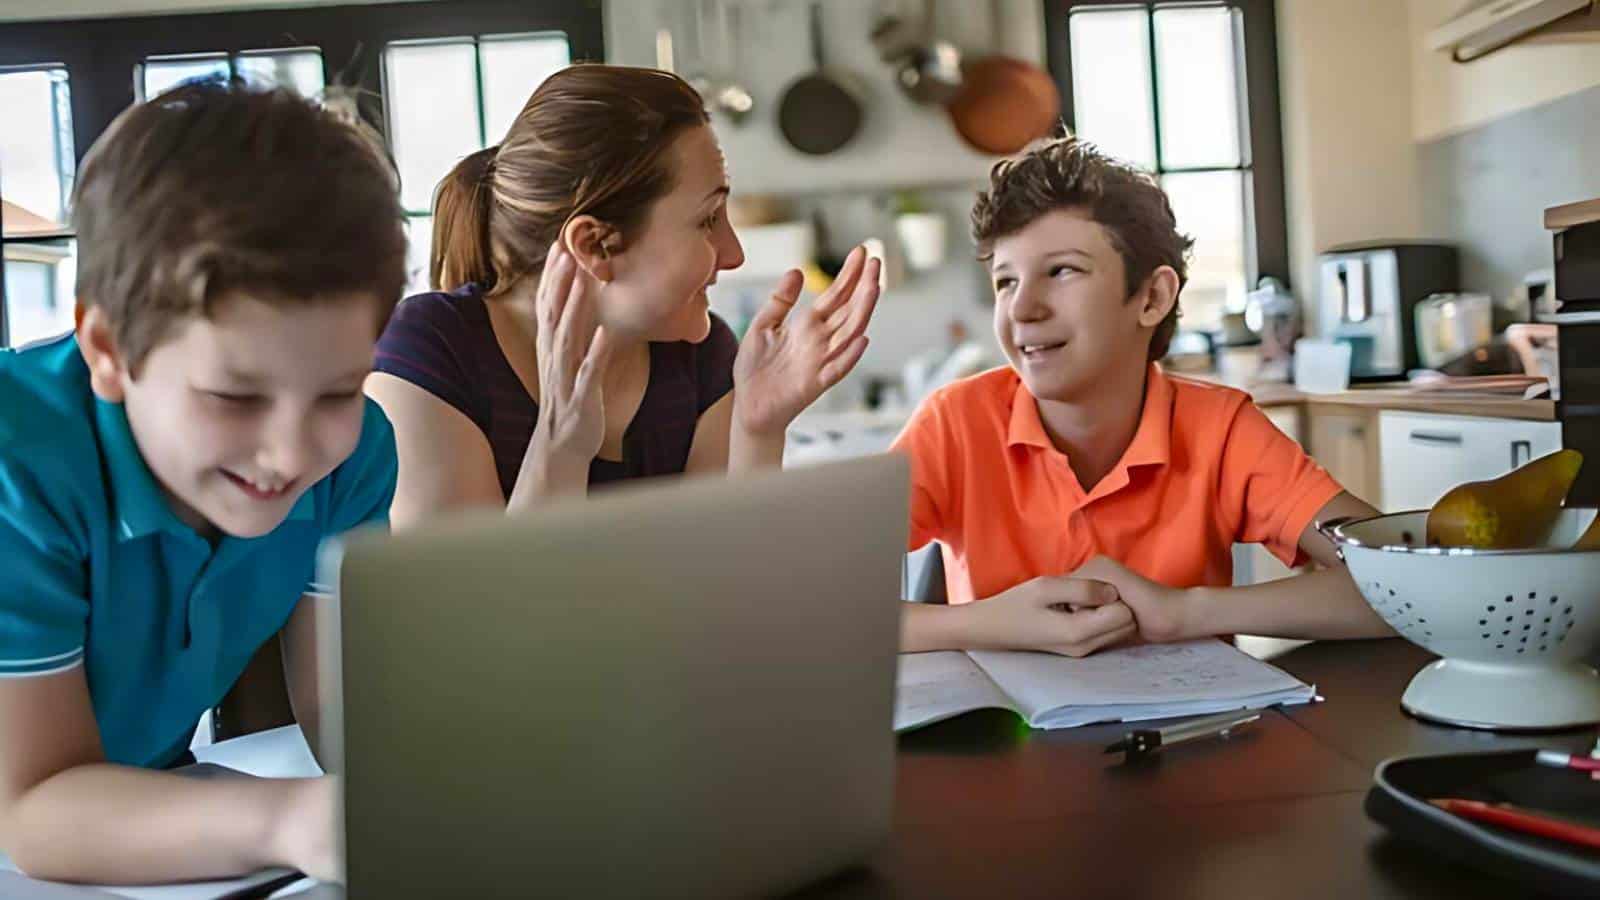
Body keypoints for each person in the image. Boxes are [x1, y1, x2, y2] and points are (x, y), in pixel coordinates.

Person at [0, 81, 408, 883]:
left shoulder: (355, 453)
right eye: (234, 396)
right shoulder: (18, 465)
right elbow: (32, 807)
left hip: (133, 814)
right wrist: (293, 818)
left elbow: (343, 715)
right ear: (110, 350)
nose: (288, 453)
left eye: (336, 391)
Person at [894, 136, 1393, 655]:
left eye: (1061, 270)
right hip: (1005, 733)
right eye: (1005, 281)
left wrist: (1183, 612)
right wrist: (987, 622)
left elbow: (1405, 582)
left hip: (1188, 734)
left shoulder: (1219, 431)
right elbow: (818, 608)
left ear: (1152, 296)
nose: (1022, 309)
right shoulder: (954, 423)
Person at [367, 65, 879, 524]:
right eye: (706, 220)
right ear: (594, 245)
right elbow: (469, 620)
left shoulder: (702, 362)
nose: (734, 253)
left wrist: (759, 428)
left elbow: (726, 601)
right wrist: (562, 444)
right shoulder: (431, 351)